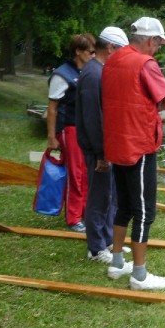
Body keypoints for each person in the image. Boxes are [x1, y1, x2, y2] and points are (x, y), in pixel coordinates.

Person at [102, 17, 165, 290]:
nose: (158, 50)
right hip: (139, 145)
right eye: (159, 43)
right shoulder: (145, 63)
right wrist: (146, 108)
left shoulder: (112, 60)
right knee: (145, 211)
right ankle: (140, 275)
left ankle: (116, 262)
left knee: (123, 205)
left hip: (116, 144)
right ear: (151, 40)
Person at [76, 26, 129, 264]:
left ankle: (107, 240)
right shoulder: (93, 74)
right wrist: (101, 153)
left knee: (110, 196)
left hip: (107, 148)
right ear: (110, 47)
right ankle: (96, 248)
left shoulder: (100, 71)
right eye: (121, 50)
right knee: (99, 197)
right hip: (100, 150)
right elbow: (93, 118)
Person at [46, 33, 95, 232]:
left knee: (85, 172)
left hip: (85, 129)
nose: (93, 55)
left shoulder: (88, 71)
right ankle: (73, 218)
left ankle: (84, 212)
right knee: (76, 174)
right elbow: (52, 108)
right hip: (69, 128)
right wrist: (51, 136)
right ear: (78, 52)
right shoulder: (62, 74)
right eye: (90, 52)